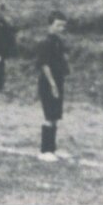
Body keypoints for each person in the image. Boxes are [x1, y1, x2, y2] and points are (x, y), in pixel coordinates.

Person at [34, 13, 70, 163]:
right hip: (49, 82)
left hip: (58, 80)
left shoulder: (58, 42)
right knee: (49, 115)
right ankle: (45, 150)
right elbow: (44, 65)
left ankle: (52, 148)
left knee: (55, 115)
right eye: (58, 25)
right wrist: (53, 84)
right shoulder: (46, 42)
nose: (61, 28)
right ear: (50, 25)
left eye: (63, 26)